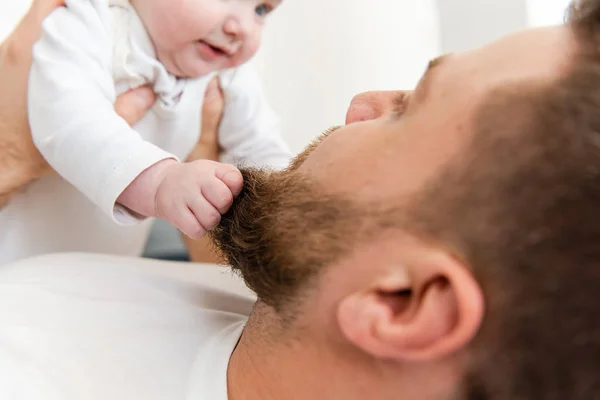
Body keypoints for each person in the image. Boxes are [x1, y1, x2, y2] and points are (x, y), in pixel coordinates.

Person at [3, 0, 600, 399]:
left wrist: (162, 180)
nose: (362, 103)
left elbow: (256, 140)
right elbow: (265, 159)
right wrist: (278, 192)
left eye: (407, 110)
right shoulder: (85, 22)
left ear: (402, 300)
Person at [0, 0, 291, 265]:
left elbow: (261, 146)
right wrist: (160, 181)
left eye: (261, 10)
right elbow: (70, 121)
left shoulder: (227, 70)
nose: (238, 28)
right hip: (18, 265)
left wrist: (291, 200)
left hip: (109, 272)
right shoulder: (89, 20)